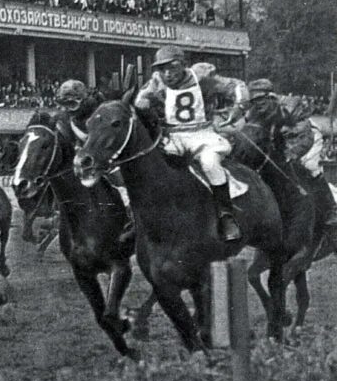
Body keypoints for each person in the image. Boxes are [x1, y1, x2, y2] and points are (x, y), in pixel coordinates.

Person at [135, 45, 248, 241]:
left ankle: (226, 215)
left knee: (210, 163)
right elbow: (140, 101)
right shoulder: (156, 83)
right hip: (171, 136)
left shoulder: (201, 77)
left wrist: (239, 106)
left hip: (201, 134)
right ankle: (136, 218)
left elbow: (237, 86)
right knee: (147, 165)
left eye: (173, 68)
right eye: (162, 69)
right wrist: (143, 105)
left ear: (184, 65)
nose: (168, 74)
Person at [246, 78, 337, 244]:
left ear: (270, 96)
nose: (257, 104)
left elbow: (304, 133)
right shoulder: (254, 111)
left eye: (260, 99)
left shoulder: (289, 107)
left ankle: (332, 209)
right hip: (280, 141)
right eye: (253, 100)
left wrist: (293, 153)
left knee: (310, 167)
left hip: (305, 136)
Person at [53, 79, 105, 147]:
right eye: (64, 104)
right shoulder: (61, 120)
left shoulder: (96, 118)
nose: (66, 109)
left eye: (71, 104)